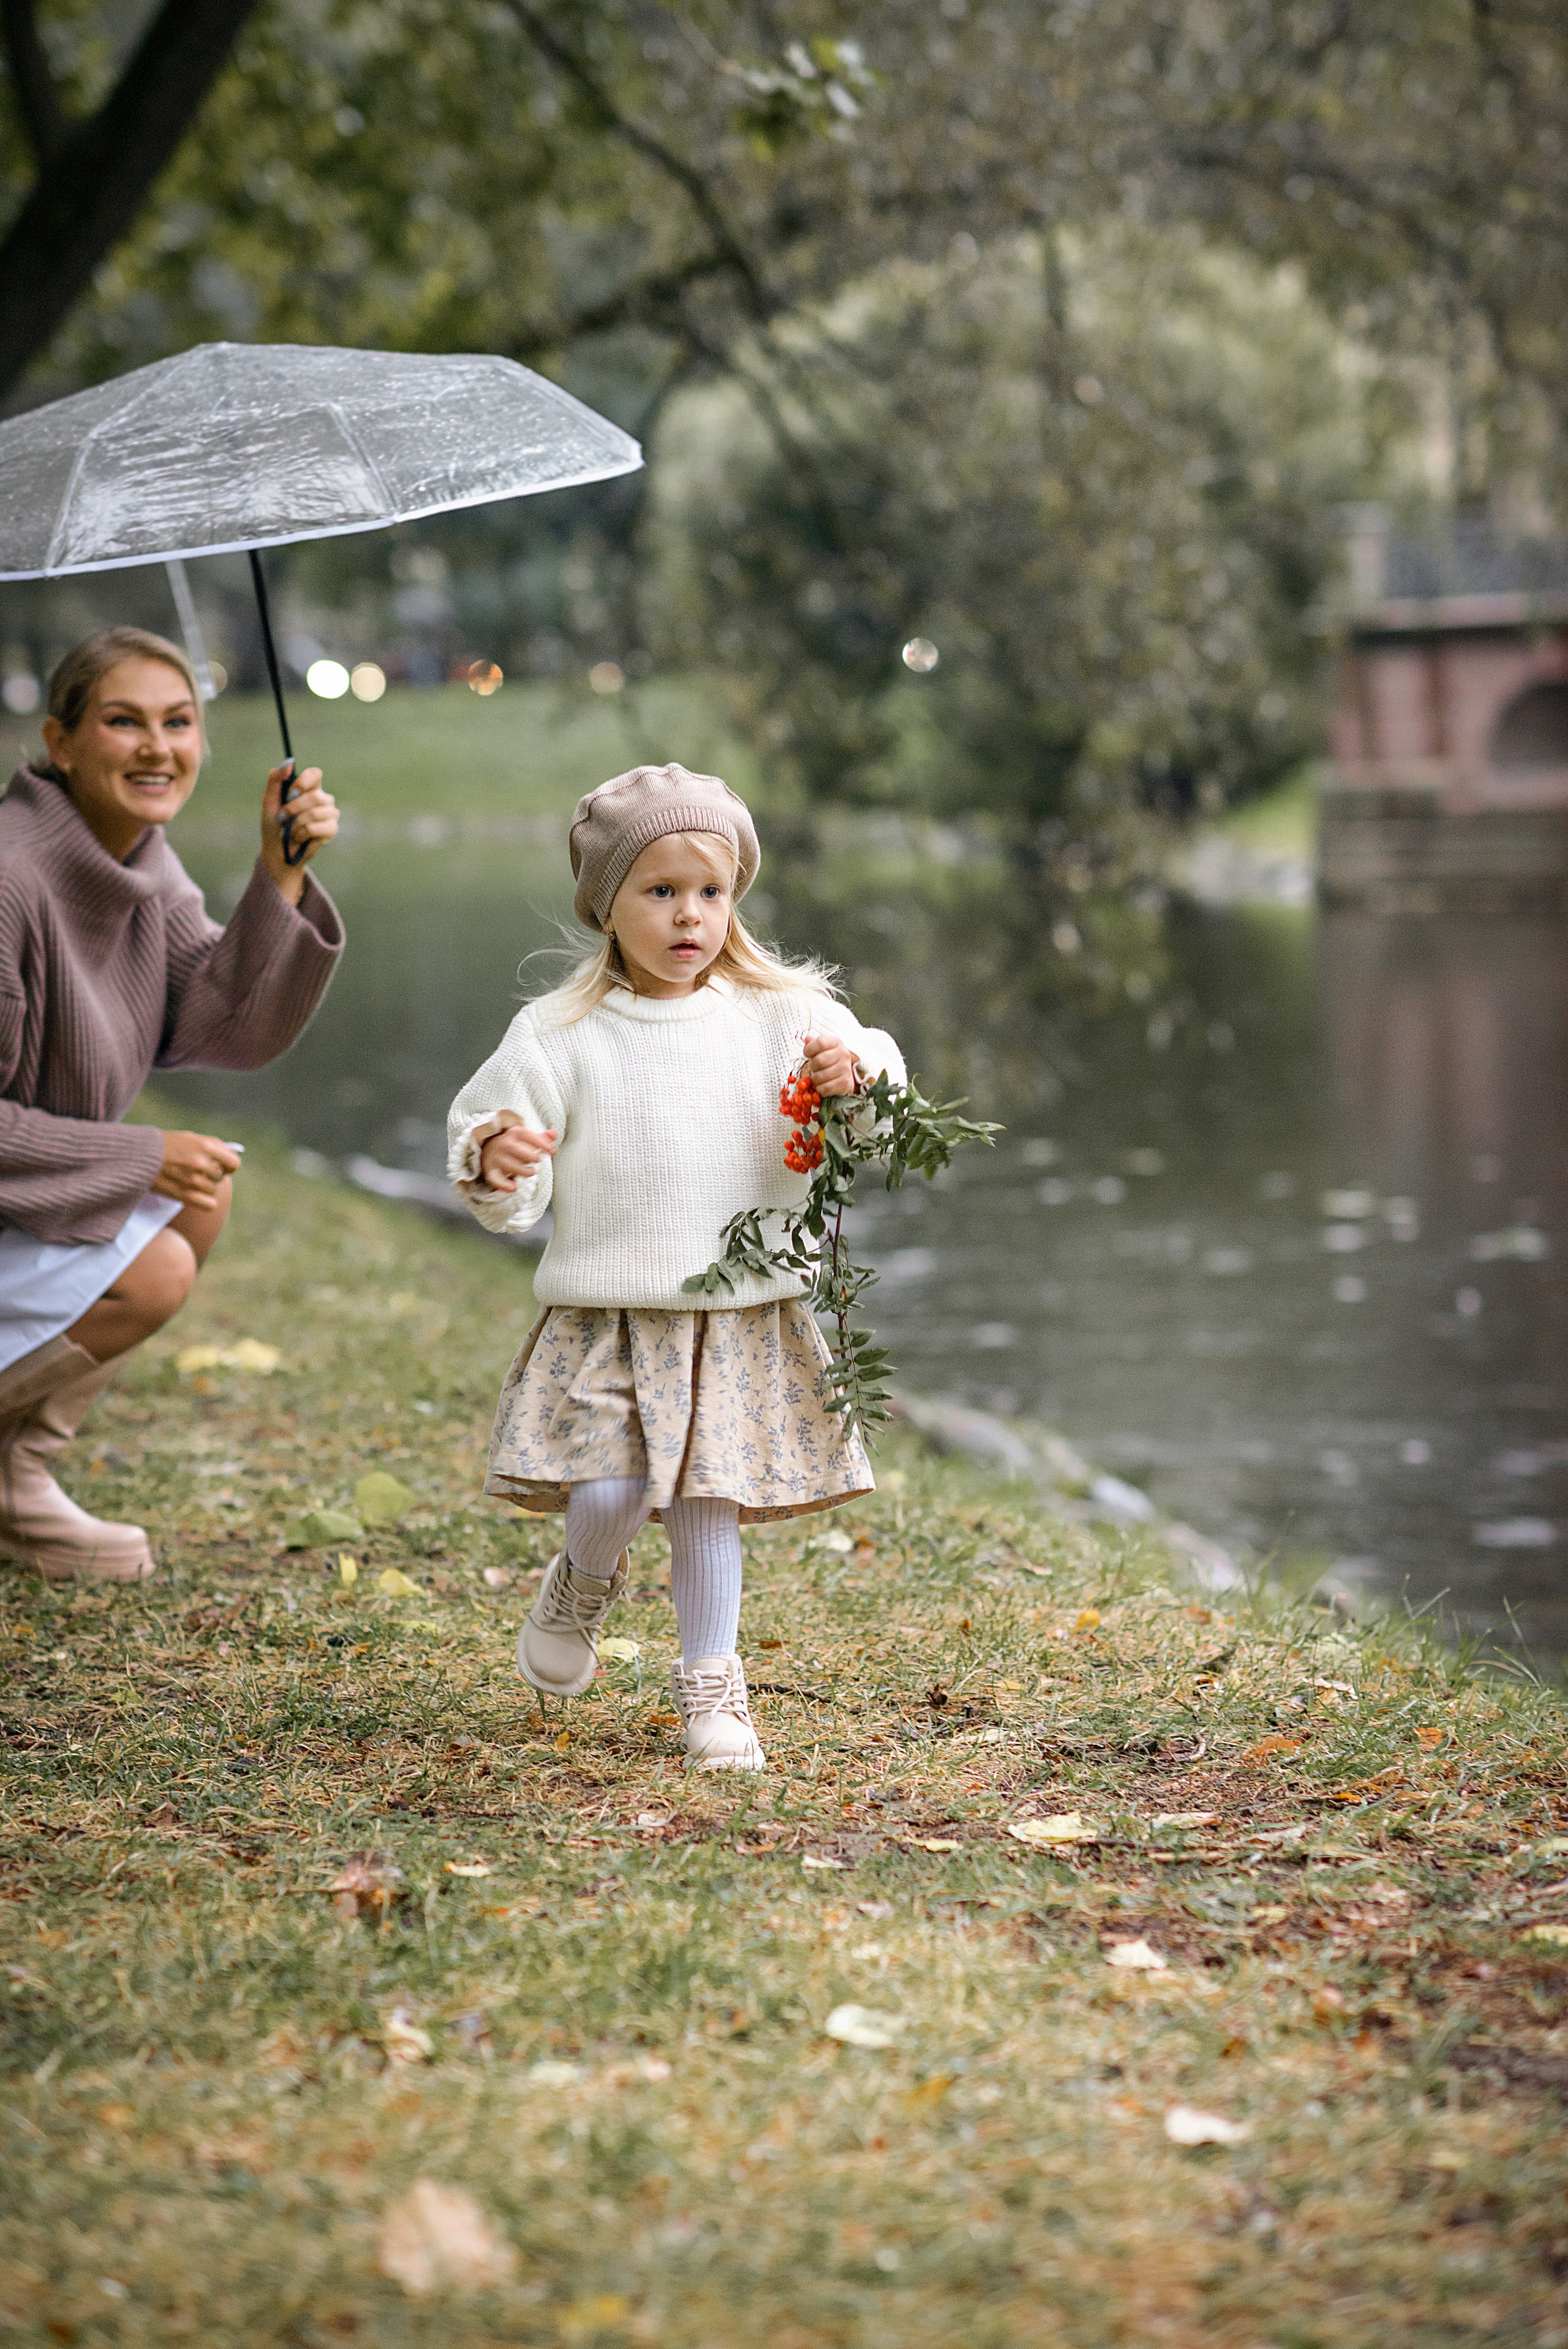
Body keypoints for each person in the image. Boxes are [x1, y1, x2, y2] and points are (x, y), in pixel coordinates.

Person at [448, 763, 905, 1771]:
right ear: (607, 905)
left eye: (711, 891)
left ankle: (715, 1689)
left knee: (709, 1501)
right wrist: (496, 1157)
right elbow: (491, 1135)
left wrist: (858, 1078)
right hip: (614, 1314)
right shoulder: (562, 1033)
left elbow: (874, 1098)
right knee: (610, 1492)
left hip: (739, 1310)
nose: (689, 915)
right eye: (660, 891)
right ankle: (582, 1579)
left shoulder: (782, 1013)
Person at [0, 625, 342, 1581]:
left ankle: (16, 1480)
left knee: (202, 1195)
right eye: (124, 721)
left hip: (20, 1197)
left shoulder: (143, 863)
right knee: (154, 1266)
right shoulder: (9, 877)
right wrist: (137, 1157)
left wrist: (280, 870)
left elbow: (223, 1022)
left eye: (179, 721)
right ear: (60, 741)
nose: (159, 747)